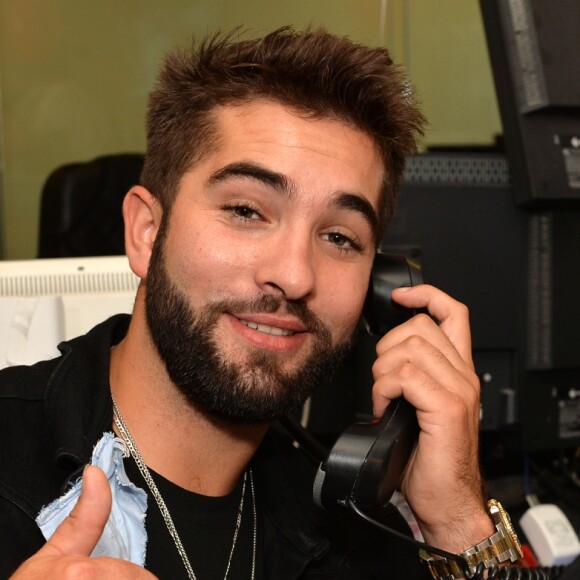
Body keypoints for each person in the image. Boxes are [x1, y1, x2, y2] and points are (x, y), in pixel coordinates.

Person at [1, 26, 498, 579]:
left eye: (339, 237)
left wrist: (456, 520)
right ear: (146, 231)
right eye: (245, 211)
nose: (293, 275)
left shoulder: (352, 532)